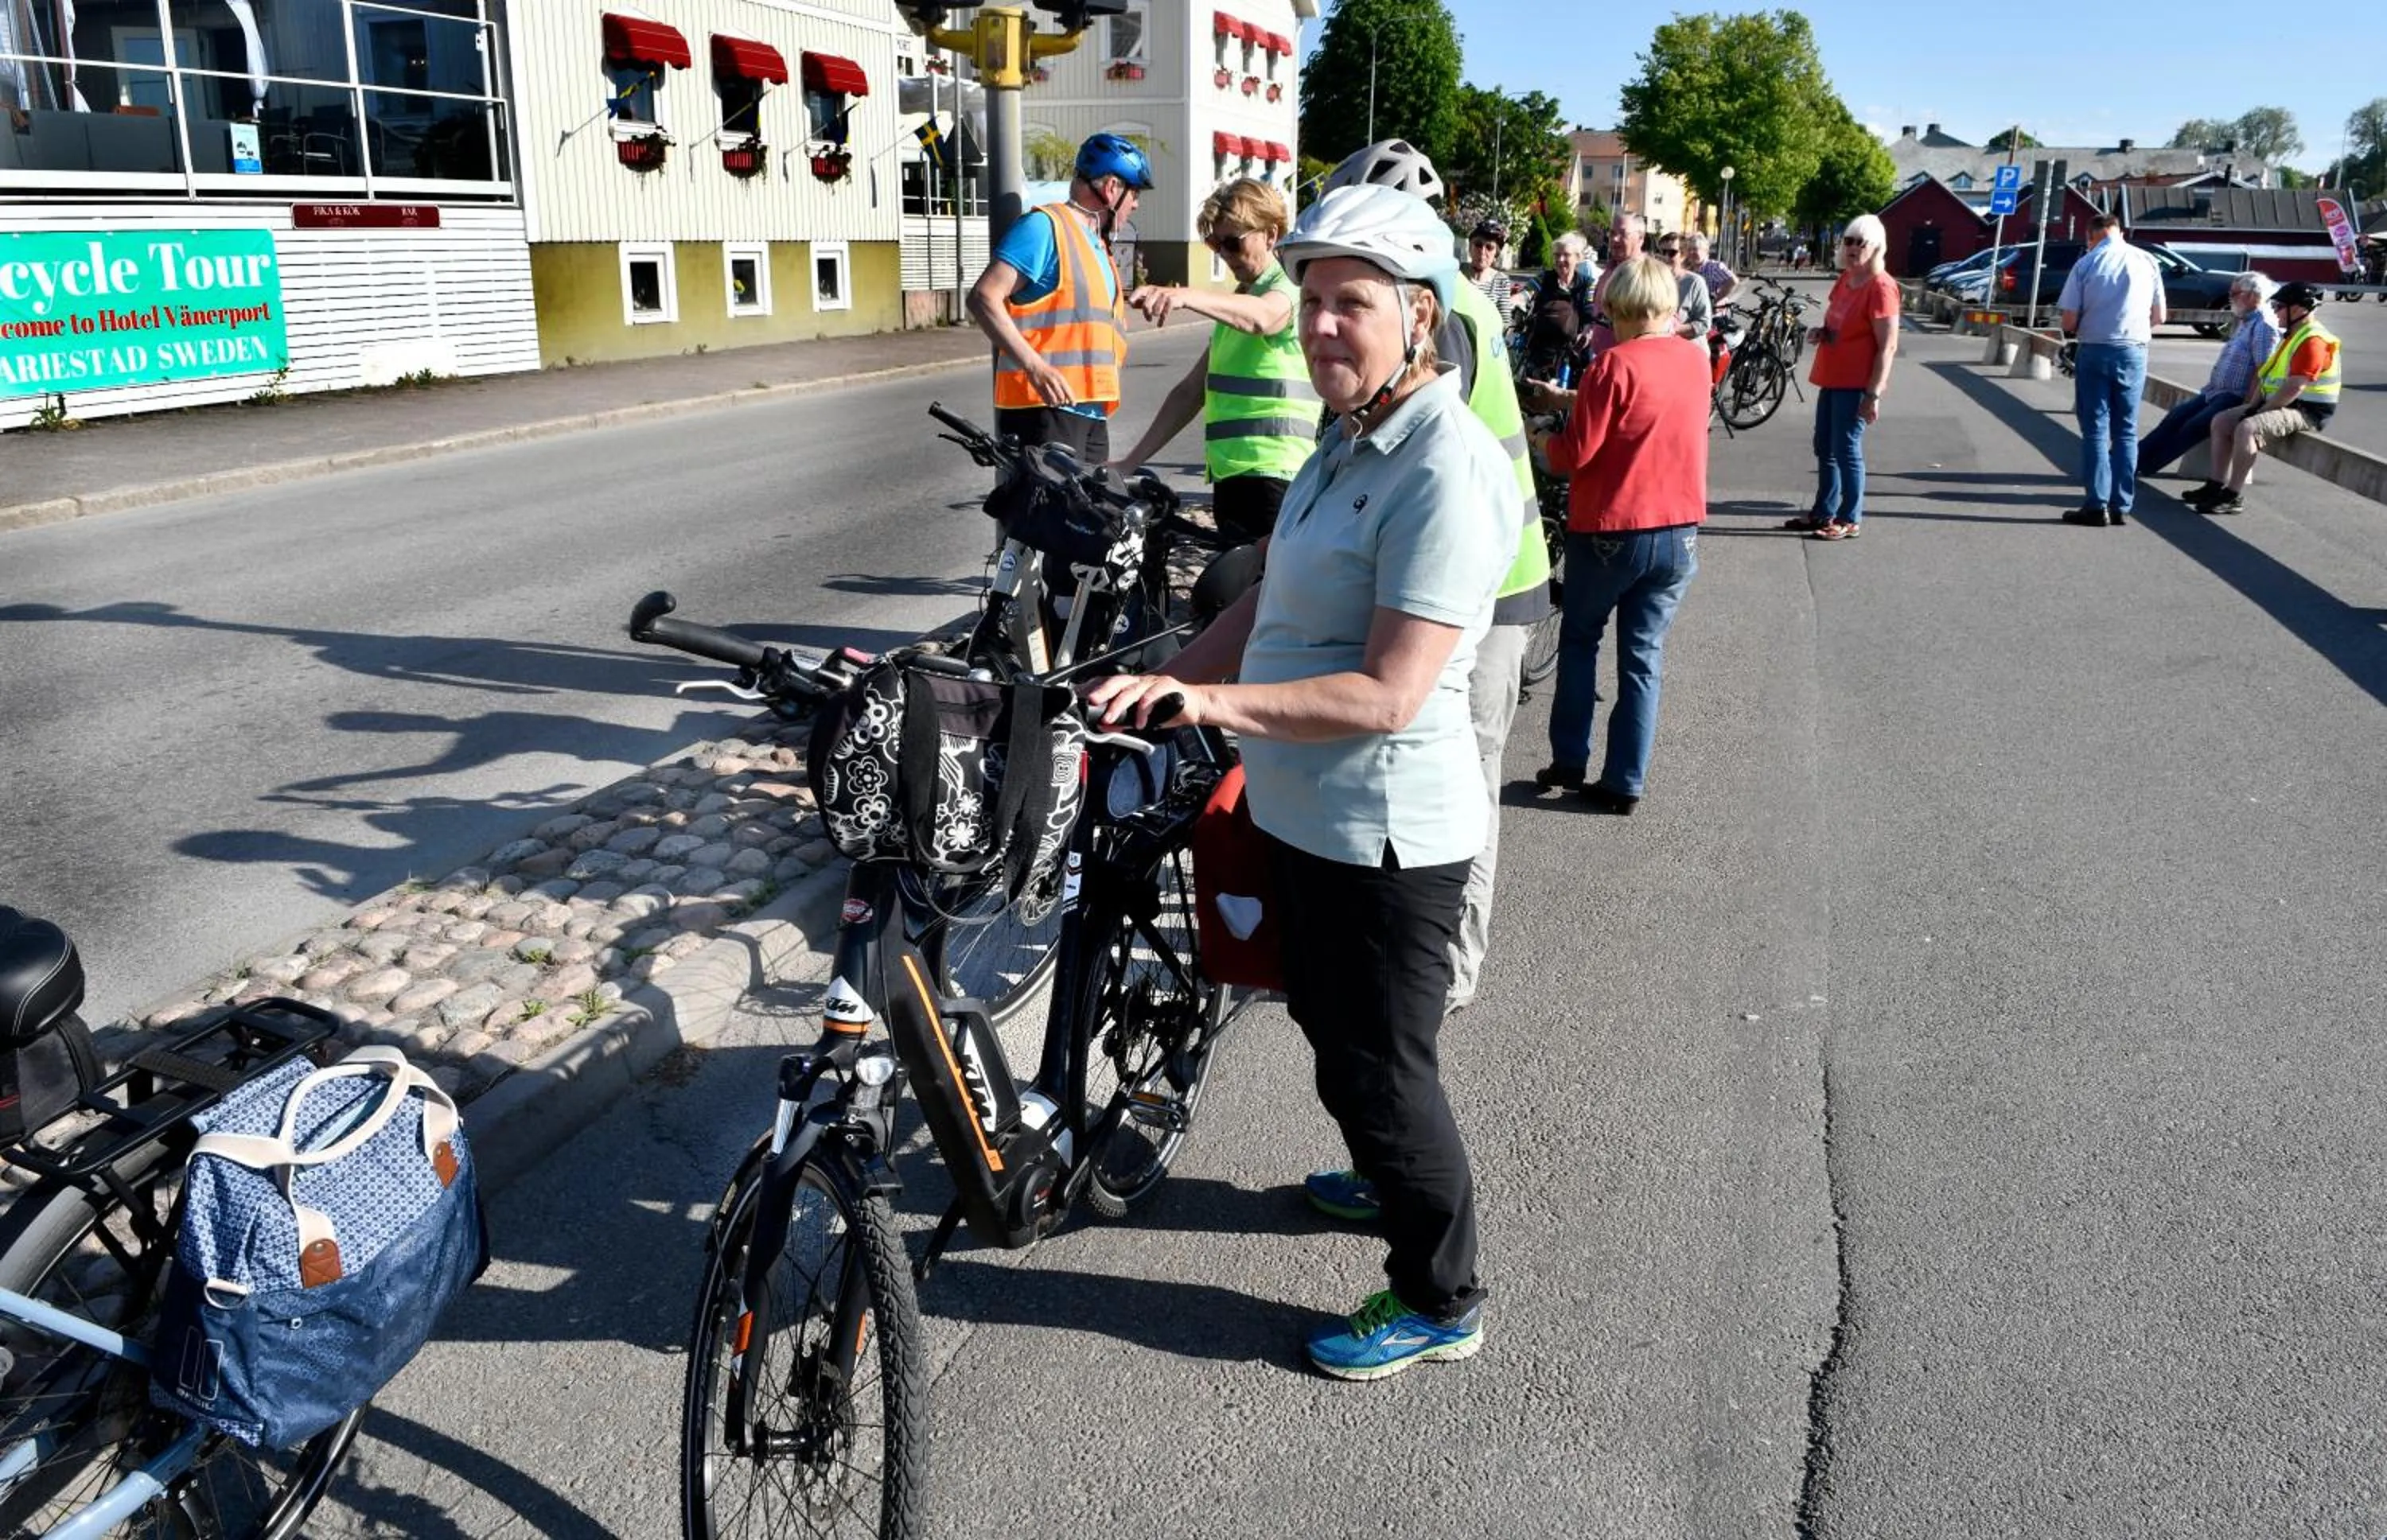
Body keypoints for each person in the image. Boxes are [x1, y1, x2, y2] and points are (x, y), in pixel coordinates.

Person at [1089, 183, 1509, 1382]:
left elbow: (1389, 692)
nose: (1323, 326)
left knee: (1384, 1074)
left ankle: (1442, 1296)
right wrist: (1163, 681)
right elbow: (1272, 591)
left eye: (1354, 305)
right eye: (1313, 300)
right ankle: (1383, 1176)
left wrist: (1209, 708)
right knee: (1333, 1031)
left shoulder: (1442, 466)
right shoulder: (1348, 438)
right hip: (1305, 814)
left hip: (1386, 832)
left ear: (1420, 318)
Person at [1319, 139, 1551, 1017]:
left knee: (1465, 776)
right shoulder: (1454, 301)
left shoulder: (1436, 319)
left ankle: (1448, 970)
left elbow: (1413, 452)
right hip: (1472, 567)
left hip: (1493, 582)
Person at [1519, 258, 1708, 815]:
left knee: (1581, 642)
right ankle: (1626, 779)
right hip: (1678, 530)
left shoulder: (1610, 366)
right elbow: (1649, 411)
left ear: (1619, 309)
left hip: (1612, 528)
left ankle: (1570, 760)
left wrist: (1535, 439)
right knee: (1642, 657)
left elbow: (1574, 455)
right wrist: (1571, 401)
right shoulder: (1694, 363)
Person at [1112, 178, 1315, 542]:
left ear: (1270, 235)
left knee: (1258, 594)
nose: (1224, 254)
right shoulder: (1240, 302)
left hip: (1275, 475)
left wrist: (1185, 295)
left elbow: (1263, 317)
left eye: (1233, 243)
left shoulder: (1288, 285)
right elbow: (1190, 392)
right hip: (1233, 478)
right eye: (1216, 244)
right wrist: (1129, 462)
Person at [966, 132, 1151, 464]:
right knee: (1046, 516)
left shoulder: (1097, 245)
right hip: (1045, 410)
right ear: (1111, 188)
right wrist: (1036, 368)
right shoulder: (1044, 227)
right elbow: (983, 297)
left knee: (1089, 514)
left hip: (1090, 411)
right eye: (1134, 193)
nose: (1135, 203)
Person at [1783, 215, 1899, 542]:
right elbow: (1837, 322)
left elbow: (1887, 346)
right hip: (1832, 376)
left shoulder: (1881, 287)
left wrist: (1873, 394)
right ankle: (1824, 511)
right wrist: (1823, 332)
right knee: (1825, 446)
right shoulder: (1846, 279)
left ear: (1876, 247)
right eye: (1848, 241)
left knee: (1846, 448)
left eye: (1861, 243)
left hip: (1856, 381)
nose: (1853, 248)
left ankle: (1850, 518)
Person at [2188, 281, 2342, 516]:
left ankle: (2233, 495)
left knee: (2248, 428)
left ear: (2299, 309)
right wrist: (2252, 405)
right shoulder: (2292, 335)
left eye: (2280, 306)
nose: (2275, 311)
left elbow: (2294, 387)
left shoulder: (2313, 340)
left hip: (2307, 411)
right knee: (2221, 421)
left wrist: (2260, 412)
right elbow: (2266, 375)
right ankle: (2215, 485)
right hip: (2282, 403)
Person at [2056, 212, 2165, 527]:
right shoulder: (2148, 260)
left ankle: (2096, 504)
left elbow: (2068, 320)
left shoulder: (2087, 263)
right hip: (2134, 351)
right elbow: (2160, 316)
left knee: (2095, 430)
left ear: (2092, 236)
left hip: (2096, 348)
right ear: (2120, 232)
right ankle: (2122, 504)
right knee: (2127, 430)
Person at [2140, 271, 2276, 484]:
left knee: (2193, 426)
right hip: (2215, 391)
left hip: (2234, 397)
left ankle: (2144, 465)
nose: (2230, 297)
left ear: (2252, 295)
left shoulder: (2264, 325)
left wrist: (2248, 406)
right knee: (2175, 417)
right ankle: (2130, 460)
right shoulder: (2245, 320)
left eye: (2235, 293)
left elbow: (2263, 369)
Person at [1520, 231, 1598, 383]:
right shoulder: (1544, 278)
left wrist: (1588, 332)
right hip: (1541, 349)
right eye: (1556, 255)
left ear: (1578, 258)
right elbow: (1525, 294)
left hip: (1573, 350)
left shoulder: (1588, 283)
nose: (1560, 260)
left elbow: (1590, 311)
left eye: (1566, 255)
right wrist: (1516, 301)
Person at [1586, 213, 1646, 357]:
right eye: (1612, 233)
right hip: (1600, 356)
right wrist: (1589, 329)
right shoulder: (1609, 270)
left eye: (1623, 234)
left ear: (1640, 239)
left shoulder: (1648, 276)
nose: (1614, 239)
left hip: (1628, 361)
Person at [1655, 233, 1712, 342]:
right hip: (1663, 348)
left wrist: (1674, 329)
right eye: (1662, 252)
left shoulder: (1694, 282)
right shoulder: (1654, 281)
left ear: (1683, 255)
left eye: (1672, 253)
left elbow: (1704, 324)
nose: (1665, 257)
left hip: (1690, 351)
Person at [1463, 218, 1513, 314]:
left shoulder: (1501, 282)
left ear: (1496, 254)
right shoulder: (1457, 273)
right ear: (1470, 248)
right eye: (1478, 245)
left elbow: (1505, 322)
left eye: (1489, 248)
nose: (1482, 252)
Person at [1688, 232, 1738, 306]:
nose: (1691, 252)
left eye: (1695, 249)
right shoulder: (1689, 268)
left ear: (1705, 251)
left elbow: (1733, 281)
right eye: (1689, 250)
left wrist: (1717, 300)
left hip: (1713, 315)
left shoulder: (1714, 267)